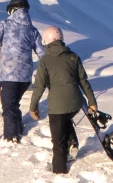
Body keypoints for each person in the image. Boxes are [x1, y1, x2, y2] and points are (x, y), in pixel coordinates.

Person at [33, 24, 102, 174]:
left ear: (46, 42)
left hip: (57, 107)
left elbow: (39, 86)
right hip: (75, 104)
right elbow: (84, 81)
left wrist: (33, 107)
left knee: (58, 143)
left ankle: (59, 171)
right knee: (66, 117)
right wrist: (92, 102)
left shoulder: (45, 61)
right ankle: (73, 142)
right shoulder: (73, 57)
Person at [0, 0, 42, 143]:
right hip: (25, 77)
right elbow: (42, 53)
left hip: (9, 74)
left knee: (8, 106)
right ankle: (18, 127)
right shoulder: (32, 30)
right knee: (14, 103)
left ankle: (11, 136)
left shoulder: (5, 24)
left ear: (13, 10)